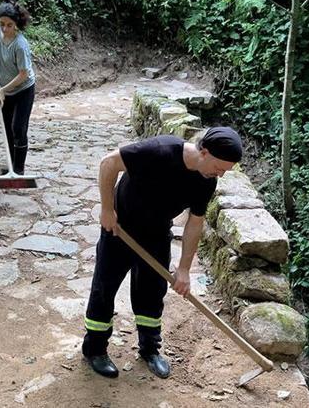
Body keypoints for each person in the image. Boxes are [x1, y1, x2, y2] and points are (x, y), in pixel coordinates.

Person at [82, 127, 244, 379]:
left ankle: (150, 350)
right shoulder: (159, 151)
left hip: (156, 233)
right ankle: (95, 349)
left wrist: (184, 269)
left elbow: (195, 223)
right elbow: (109, 163)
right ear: (204, 151)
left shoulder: (206, 180)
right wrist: (106, 209)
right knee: (105, 286)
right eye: (219, 167)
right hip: (119, 228)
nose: (220, 175)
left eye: (225, 171)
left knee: (152, 291)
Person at [0, 0, 36, 175]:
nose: (4, 29)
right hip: (5, 87)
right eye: (1, 24)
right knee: (7, 127)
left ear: (16, 24)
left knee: (18, 127)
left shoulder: (20, 45)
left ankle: (19, 170)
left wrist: (2, 89)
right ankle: (11, 166)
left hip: (23, 89)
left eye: (9, 25)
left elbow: (24, 74)